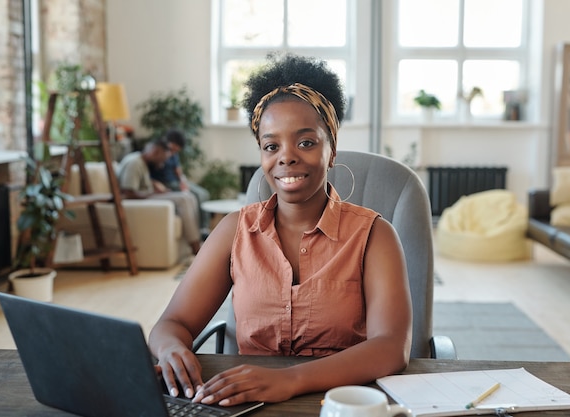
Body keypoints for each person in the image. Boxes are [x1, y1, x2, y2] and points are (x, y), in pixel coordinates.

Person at [148, 53, 412, 406]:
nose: (286, 157)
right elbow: (173, 323)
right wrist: (170, 350)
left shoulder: (375, 236)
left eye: (306, 142)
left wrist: (289, 380)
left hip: (342, 405)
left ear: (331, 150)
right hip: (245, 404)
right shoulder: (234, 231)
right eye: (271, 146)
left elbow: (391, 348)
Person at [117, 139, 203, 255]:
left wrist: (154, 185)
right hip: (136, 201)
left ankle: (197, 242)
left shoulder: (141, 161)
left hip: (146, 196)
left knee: (189, 197)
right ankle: (196, 248)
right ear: (155, 152)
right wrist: (154, 194)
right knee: (183, 199)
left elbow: (139, 184)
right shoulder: (135, 163)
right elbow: (128, 192)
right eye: (163, 159)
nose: (163, 164)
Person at [148, 129, 211, 230]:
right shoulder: (159, 152)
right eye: (172, 149)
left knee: (203, 193)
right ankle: (199, 228)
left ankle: (205, 227)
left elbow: (178, 170)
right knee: (195, 196)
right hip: (166, 183)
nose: (173, 153)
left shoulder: (174, 155)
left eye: (176, 151)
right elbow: (147, 175)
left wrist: (183, 181)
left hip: (176, 182)